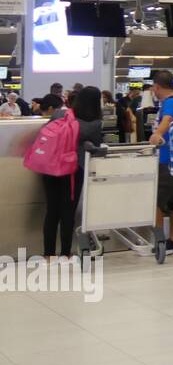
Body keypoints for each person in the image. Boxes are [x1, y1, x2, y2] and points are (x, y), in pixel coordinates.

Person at [33, 85, 103, 258]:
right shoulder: (94, 123)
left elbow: (45, 133)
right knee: (67, 212)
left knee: (52, 210)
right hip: (72, 171)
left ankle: (48, 254)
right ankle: (65, 253)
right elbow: (96, 147)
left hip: (50, 167)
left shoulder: (60, 113)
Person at [147, 71, 173, 252]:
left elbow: (168, 119)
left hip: (167, 158)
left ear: (157, 87)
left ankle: (159, 242)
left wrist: (157, 134)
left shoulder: (171, 102)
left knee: (156, 201)